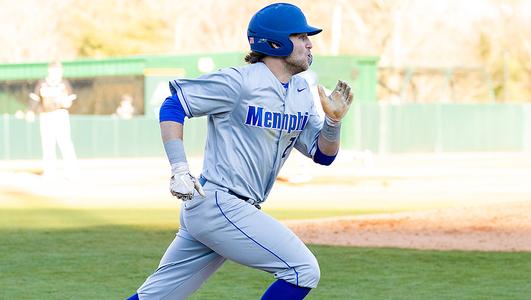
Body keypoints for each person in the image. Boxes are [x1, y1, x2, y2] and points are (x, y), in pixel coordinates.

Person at [128, 3, 353, 300]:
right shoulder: (239, 81)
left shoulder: (300, 92)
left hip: (226, 207)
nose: (310, 44)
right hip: (220, 202)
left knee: (155, 297)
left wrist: (333, 122)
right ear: (276, 43)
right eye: (301, 36)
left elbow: (323, 155)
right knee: (302, 270)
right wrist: (179, 168)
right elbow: (174, 105)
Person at [28, 61, 78, 178]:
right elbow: (35, 99)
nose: (58, 73)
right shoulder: (42, 83)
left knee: (65, 143)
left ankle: (71, 172)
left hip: (60, 114)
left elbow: (72, 101)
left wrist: (68, 103)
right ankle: (50, 172)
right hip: (46, 116)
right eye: (55, 70)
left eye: (59, 71)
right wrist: (30, 111)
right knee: (47, 143)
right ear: (50, 70)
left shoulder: (64, 83)